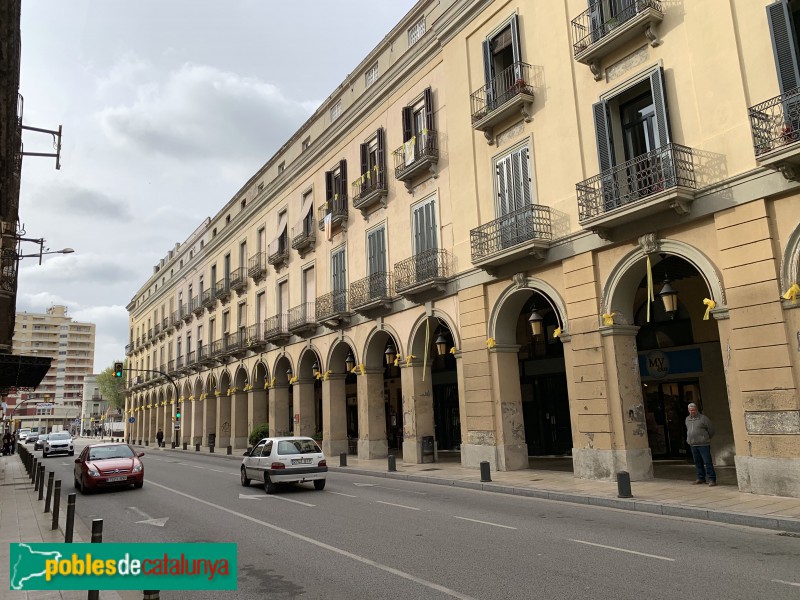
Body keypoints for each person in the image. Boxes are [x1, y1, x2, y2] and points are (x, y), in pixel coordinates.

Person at [686, 402, 716, 486]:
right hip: (693, 444)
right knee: (697, 462)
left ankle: (712, 479)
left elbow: (711, 430)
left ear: (697, 409)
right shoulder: (687, 419)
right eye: (691, 410)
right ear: (688, 410)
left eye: (694, 410)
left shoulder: (703, 418)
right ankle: (700, 478)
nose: (692, 411)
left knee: (707, 462)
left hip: (703, 444)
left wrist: (705, 438)